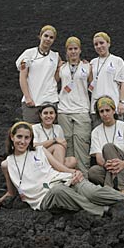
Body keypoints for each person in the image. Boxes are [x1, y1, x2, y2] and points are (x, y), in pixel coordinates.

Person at [0, 121, 124, 215]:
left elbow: (58, 167)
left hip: (62, 180)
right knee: (59, 191)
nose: (22, 141)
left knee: (92, 191)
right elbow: (12, 193)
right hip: (45, 197)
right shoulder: (8, 164)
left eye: (26, 138)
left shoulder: (40, 150)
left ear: (30, 139)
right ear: (12, 137)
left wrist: (74, 172)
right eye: (19, 137)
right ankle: (107, 210)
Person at [56, 37, 92, 177]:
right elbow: (53, 82)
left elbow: (92, 85)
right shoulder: (62, 68)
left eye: (75, 48)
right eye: (70, 49)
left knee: (82, 143)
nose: (73, 51)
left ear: (80, 50)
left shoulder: (87, 67)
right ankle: (70, 176)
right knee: (68, 145)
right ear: (66, 51)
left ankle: (84, 176)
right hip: (63, 110)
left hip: (82, 109)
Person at [88, 96, 124, 193]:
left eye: (107, 110)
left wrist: (122, 164)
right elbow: (99, 159)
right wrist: (108, 165)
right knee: (93, 172)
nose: (105, 114)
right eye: (101, 111)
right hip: (109, 168)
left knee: (108, 147)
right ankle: (120, 184)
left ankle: (117, 187)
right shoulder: (96, 132)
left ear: (113, 111)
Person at [16, 25, 61, 123]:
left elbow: (55, 77)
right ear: (40, 36)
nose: (48, 39)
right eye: (46, 36)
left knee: (50, 133)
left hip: (50, 101)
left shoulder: (55, 56)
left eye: (51, 37)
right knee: (31, 133)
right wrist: (27, 97)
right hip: (32, 101)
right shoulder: (29, 53)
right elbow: (22, 77)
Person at [89, 32, 124, 128]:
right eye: (96, 44)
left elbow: (123, 82)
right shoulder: (92, 63)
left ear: (108, 43)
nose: (99, 46)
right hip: (97, 109)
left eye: (101, 43)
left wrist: (121, 102)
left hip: (113, 106)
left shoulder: (117, 61)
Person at [32, 102, 76, 168]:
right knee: (57, 147)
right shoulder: (35, 128)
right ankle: (59, 172)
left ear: (55, 115)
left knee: (72, 160)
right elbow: (34, 146)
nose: (49, 116)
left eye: (51, 113)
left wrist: (62, 144)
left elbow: (63, 144)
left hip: (56, 157)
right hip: (40, 158)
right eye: (45, 113)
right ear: (41, 115)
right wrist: (54, 140)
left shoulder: (58, 128)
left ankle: (56, 170)